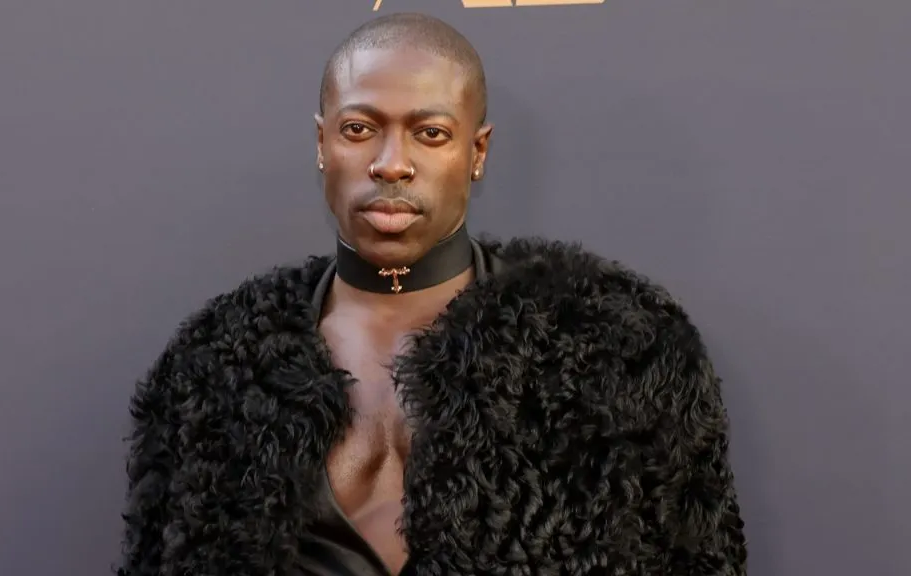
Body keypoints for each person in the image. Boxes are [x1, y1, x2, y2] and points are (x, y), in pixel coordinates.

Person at [116, 12, 747, 576]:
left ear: (477, 152)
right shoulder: (216, 368)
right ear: (321, 143)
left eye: (431, 133)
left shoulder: (616, 350)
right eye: (360, 128)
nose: (392, 163)